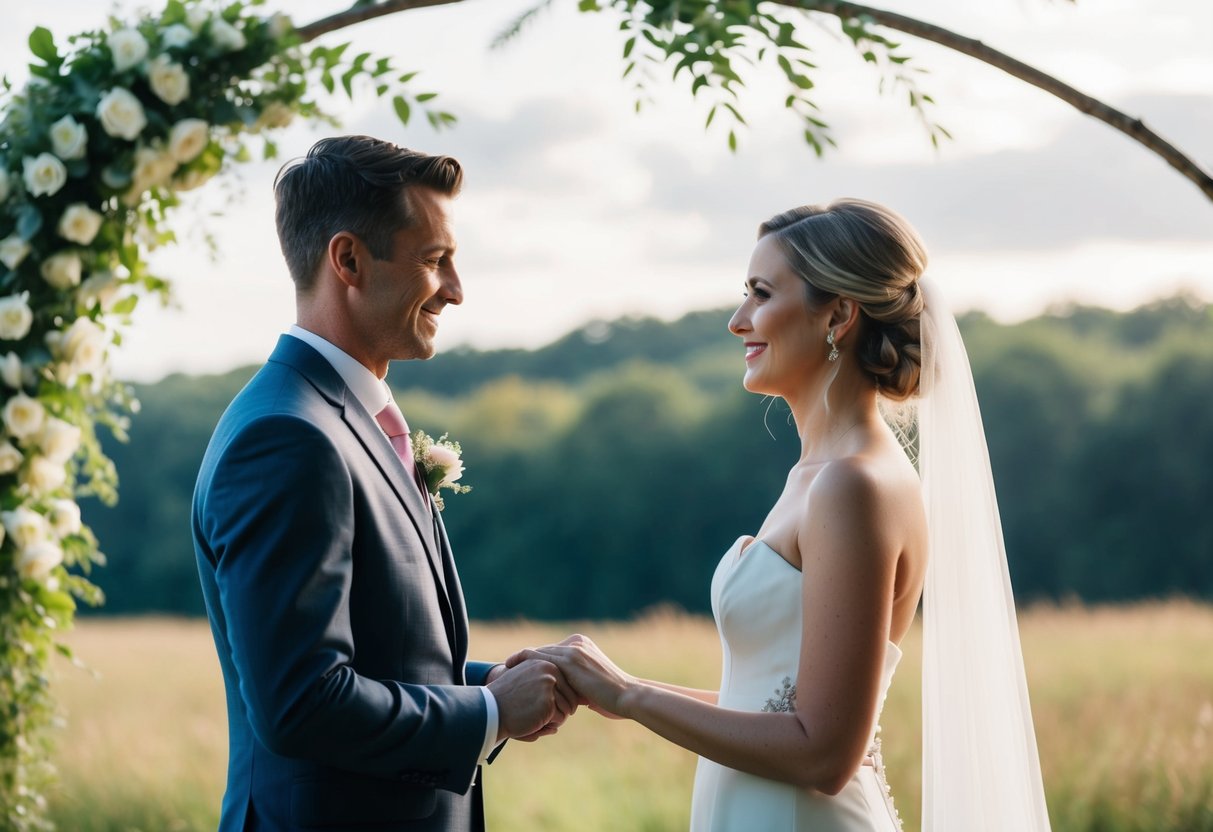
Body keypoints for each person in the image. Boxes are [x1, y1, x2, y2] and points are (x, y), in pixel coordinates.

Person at [511, 199, 1052, 831]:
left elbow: (824, 753)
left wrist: (631, 695)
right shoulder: (816, 476)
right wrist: (613, 687)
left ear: (839, 315)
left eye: (761, 294)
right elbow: (766, 704)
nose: (738, 320)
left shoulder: (854, 485)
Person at [192, 135, 575, 832]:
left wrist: (489, 683)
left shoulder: (339, 421)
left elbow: (377, 652)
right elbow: (301, 703)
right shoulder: (286, 437)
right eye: (434, 260)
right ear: (348, 260)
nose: (456, 289)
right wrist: (490, 713)